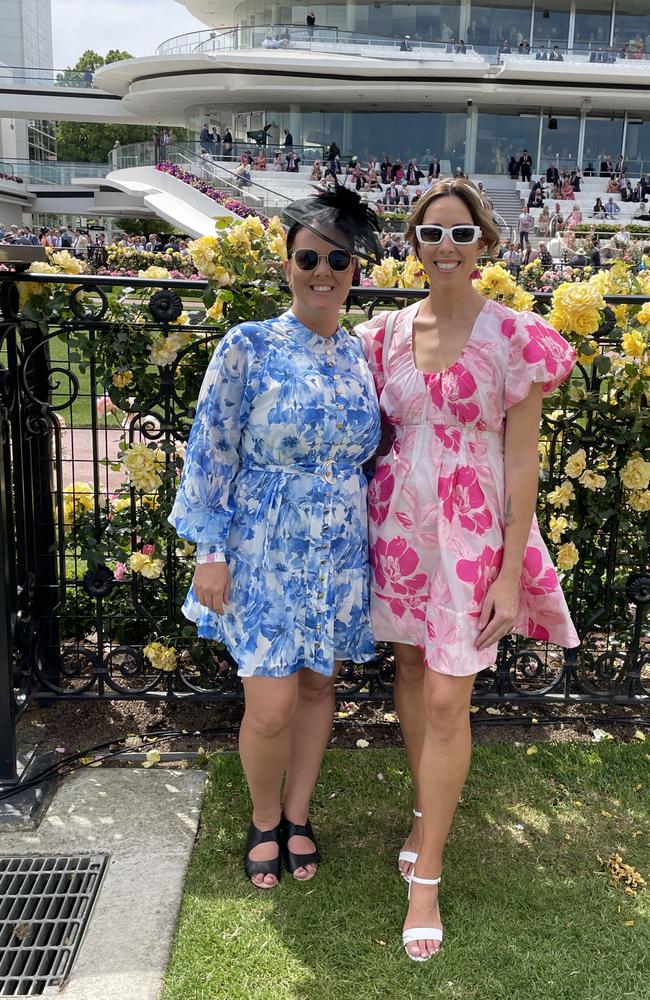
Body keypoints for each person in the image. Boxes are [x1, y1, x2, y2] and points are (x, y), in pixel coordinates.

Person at [355, 176, 579, 961]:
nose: (444, 247)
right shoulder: (380, 334)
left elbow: (522, 466)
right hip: (399, 530)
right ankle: (424, 813)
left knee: (450, 694)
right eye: (430, 233)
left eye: (459, 233)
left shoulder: (516, 336)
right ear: (411, 245)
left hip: (473, 535)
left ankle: (429, 877)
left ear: (485, 244)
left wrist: (511, 573)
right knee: (413, 672)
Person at [170, 185, 383, 890]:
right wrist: (210, 550)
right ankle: (264, 819)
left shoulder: (359, 355)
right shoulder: (249, 345)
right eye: (308, 256)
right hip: (261, 550)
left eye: (338, 258)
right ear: (287, 264)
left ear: (358, 268)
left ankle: (299, 814)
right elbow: (211, 449)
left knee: (320, 688)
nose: (323, 270)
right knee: (269, 707)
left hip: (338, 549)